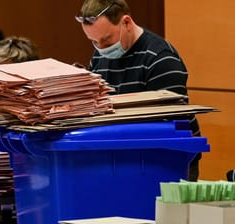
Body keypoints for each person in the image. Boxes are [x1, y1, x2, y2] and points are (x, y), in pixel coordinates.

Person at [75, 0, 201, 181]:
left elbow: (170, 126)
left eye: (107, 39)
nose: (101, 48)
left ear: (126, 22)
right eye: (94, 42)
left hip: (165, 160)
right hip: (121, 156)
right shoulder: (100, 55)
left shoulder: (160, 58)